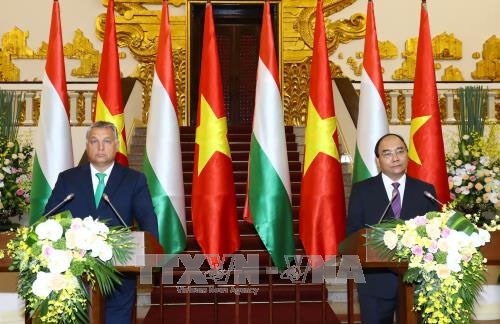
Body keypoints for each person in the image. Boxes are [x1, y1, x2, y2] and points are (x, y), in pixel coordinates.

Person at [45, 121, 159, 323]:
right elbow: (49, 220)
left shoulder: (134, 180)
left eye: (106, 141)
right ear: (87, 145)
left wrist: (151, 258)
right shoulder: (67, 179)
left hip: (119, 277)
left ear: (116, 145)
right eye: (94, 141)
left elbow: (148, 222)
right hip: (74, 277)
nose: (100, 147)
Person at [347, 133, 439, 324]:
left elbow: (435, 234)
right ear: (378, 160)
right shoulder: (362, 191)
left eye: (400, 151)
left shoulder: (425, 191)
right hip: (375, 283)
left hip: (418, 283)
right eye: (387, 154)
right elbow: (353, 234)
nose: (395, 158)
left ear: (407, 154)